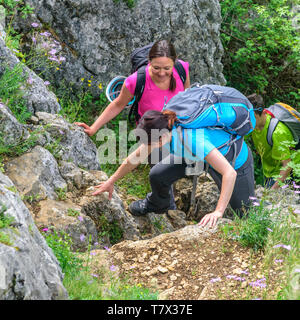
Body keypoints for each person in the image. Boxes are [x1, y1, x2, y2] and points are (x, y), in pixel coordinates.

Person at [90, 110, 255, 228]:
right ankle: (159, 204)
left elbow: (229, 173)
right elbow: (135, 158)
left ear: (161, 138)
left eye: (149, 143)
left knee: (244, 212)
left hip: (232, 160)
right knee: (158, 174)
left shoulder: (193, 139)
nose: (146, 147)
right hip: (194, 155)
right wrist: (110, 181)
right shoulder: (164, 126)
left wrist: (218, 212)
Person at [75, 40, 190, 136]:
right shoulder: (135, 81)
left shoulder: (181, 69)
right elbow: (118, 104)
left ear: (174, 62)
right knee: (160, 163)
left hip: (180, 129)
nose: (161, 73)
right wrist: (93, 128)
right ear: (149, 61)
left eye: (167, 68)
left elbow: (188, 99)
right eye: (156, 68)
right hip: (152, 134)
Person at [247, 94, 299, 189]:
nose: (249, 121)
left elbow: (287, 165)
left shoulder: (277, 132)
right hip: (270, 171)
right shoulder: (253, 125)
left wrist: (272, 191)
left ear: (263, 113)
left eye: (253, 117)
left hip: (290, 174)